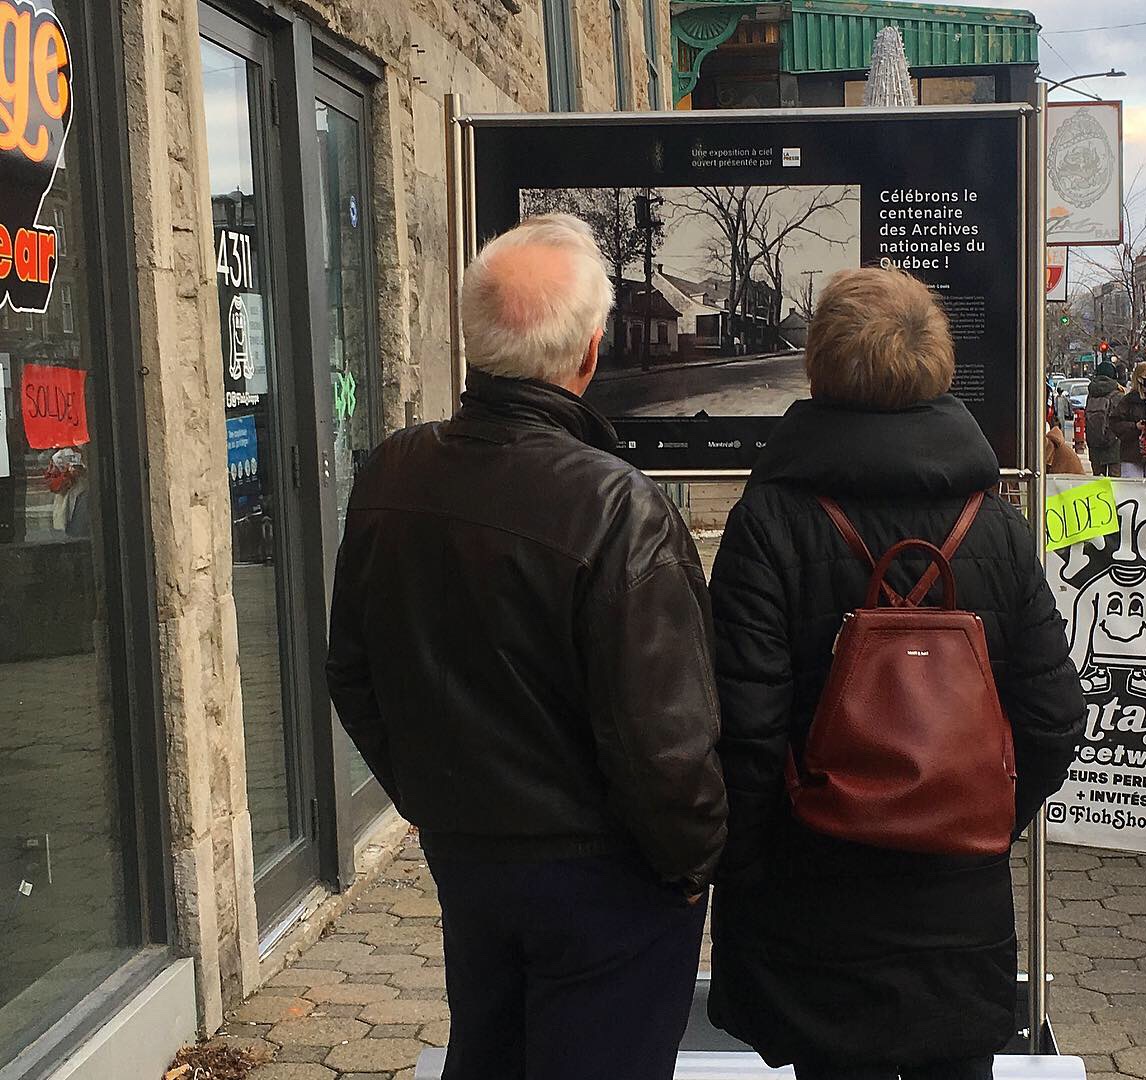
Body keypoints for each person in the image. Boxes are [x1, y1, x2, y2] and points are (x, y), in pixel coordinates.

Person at [325, 214, 728, 1080]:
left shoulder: (391, 474)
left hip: (471, 857)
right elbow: (665, 740)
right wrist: (694, 864)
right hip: (605, 878)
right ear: (590, 353)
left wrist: (438, 801)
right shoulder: (620, 509)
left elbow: (352, 672)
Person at [706, 267, 1085, 1080]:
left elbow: (743, 729)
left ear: (820, 368)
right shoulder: (1000, 527)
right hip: (959, 908)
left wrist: (743, 868)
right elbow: (1054, 716)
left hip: (816, 908)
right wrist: (971, 816)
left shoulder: (768, 522)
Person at [1111, 360, 1146, 478]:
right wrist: (1135, 426)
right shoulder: (1129, 400)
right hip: (1132, 455)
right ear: (1139, 379)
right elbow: (1115, 423)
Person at [1084, 360, 1127, 476]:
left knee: (1098, 483)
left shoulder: (1091, 394)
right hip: (1114, 446)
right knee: (1115, 484)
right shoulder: (1118, 394)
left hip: (1094, 445)